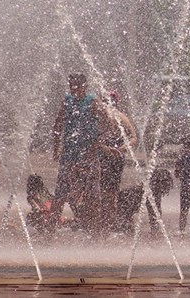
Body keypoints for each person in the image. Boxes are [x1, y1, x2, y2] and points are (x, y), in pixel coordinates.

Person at [46, 73, 105, 235]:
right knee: (60, 193)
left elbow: (107, 123)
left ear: (85, 85)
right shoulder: (67, 101)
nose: (73, 88)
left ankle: (96, 232)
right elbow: (57, 125)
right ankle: (50, 230)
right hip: (69, 156)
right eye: (71, 85)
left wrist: (96, 144)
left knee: (93, 195)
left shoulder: (92, 101)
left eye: (76, 85)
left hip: (89, 157)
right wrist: (56, 147)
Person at [98, 91, 137, 232]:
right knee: (110, 190)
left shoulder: (108, 116)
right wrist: (122, 149)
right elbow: (133, 138)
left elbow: (132, 138)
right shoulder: (120, 117)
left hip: (108, 157)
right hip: (112, 157)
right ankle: (109, 222)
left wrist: (114, 149)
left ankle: (106, 223)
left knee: (105, 190)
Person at [115, 168, 173, 236]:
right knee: (124, 225)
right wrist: (155, 232)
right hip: (124, 201)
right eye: (166, 184)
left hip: (124, 200)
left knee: (124, 225)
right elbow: (154, 216)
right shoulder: (151, 192)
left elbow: (154, 215)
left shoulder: (148, 189)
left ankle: (121, 229)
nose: (168, 187)